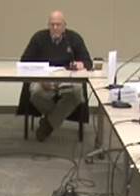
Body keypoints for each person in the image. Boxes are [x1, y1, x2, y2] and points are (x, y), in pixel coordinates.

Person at [20, 10, 92, 142]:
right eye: (52, 24)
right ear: (48, 25)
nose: (55, 28)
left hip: (67, 81)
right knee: (35, 93)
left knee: (77, 93)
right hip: (43, 79)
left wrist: (81, 64)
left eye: (58, 25)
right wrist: (41, 79)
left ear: (64, 25)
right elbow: (25, 61)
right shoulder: (39, 38)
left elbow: (88, 62)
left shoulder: (74, 38)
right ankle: (55, 118)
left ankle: (48, 124)